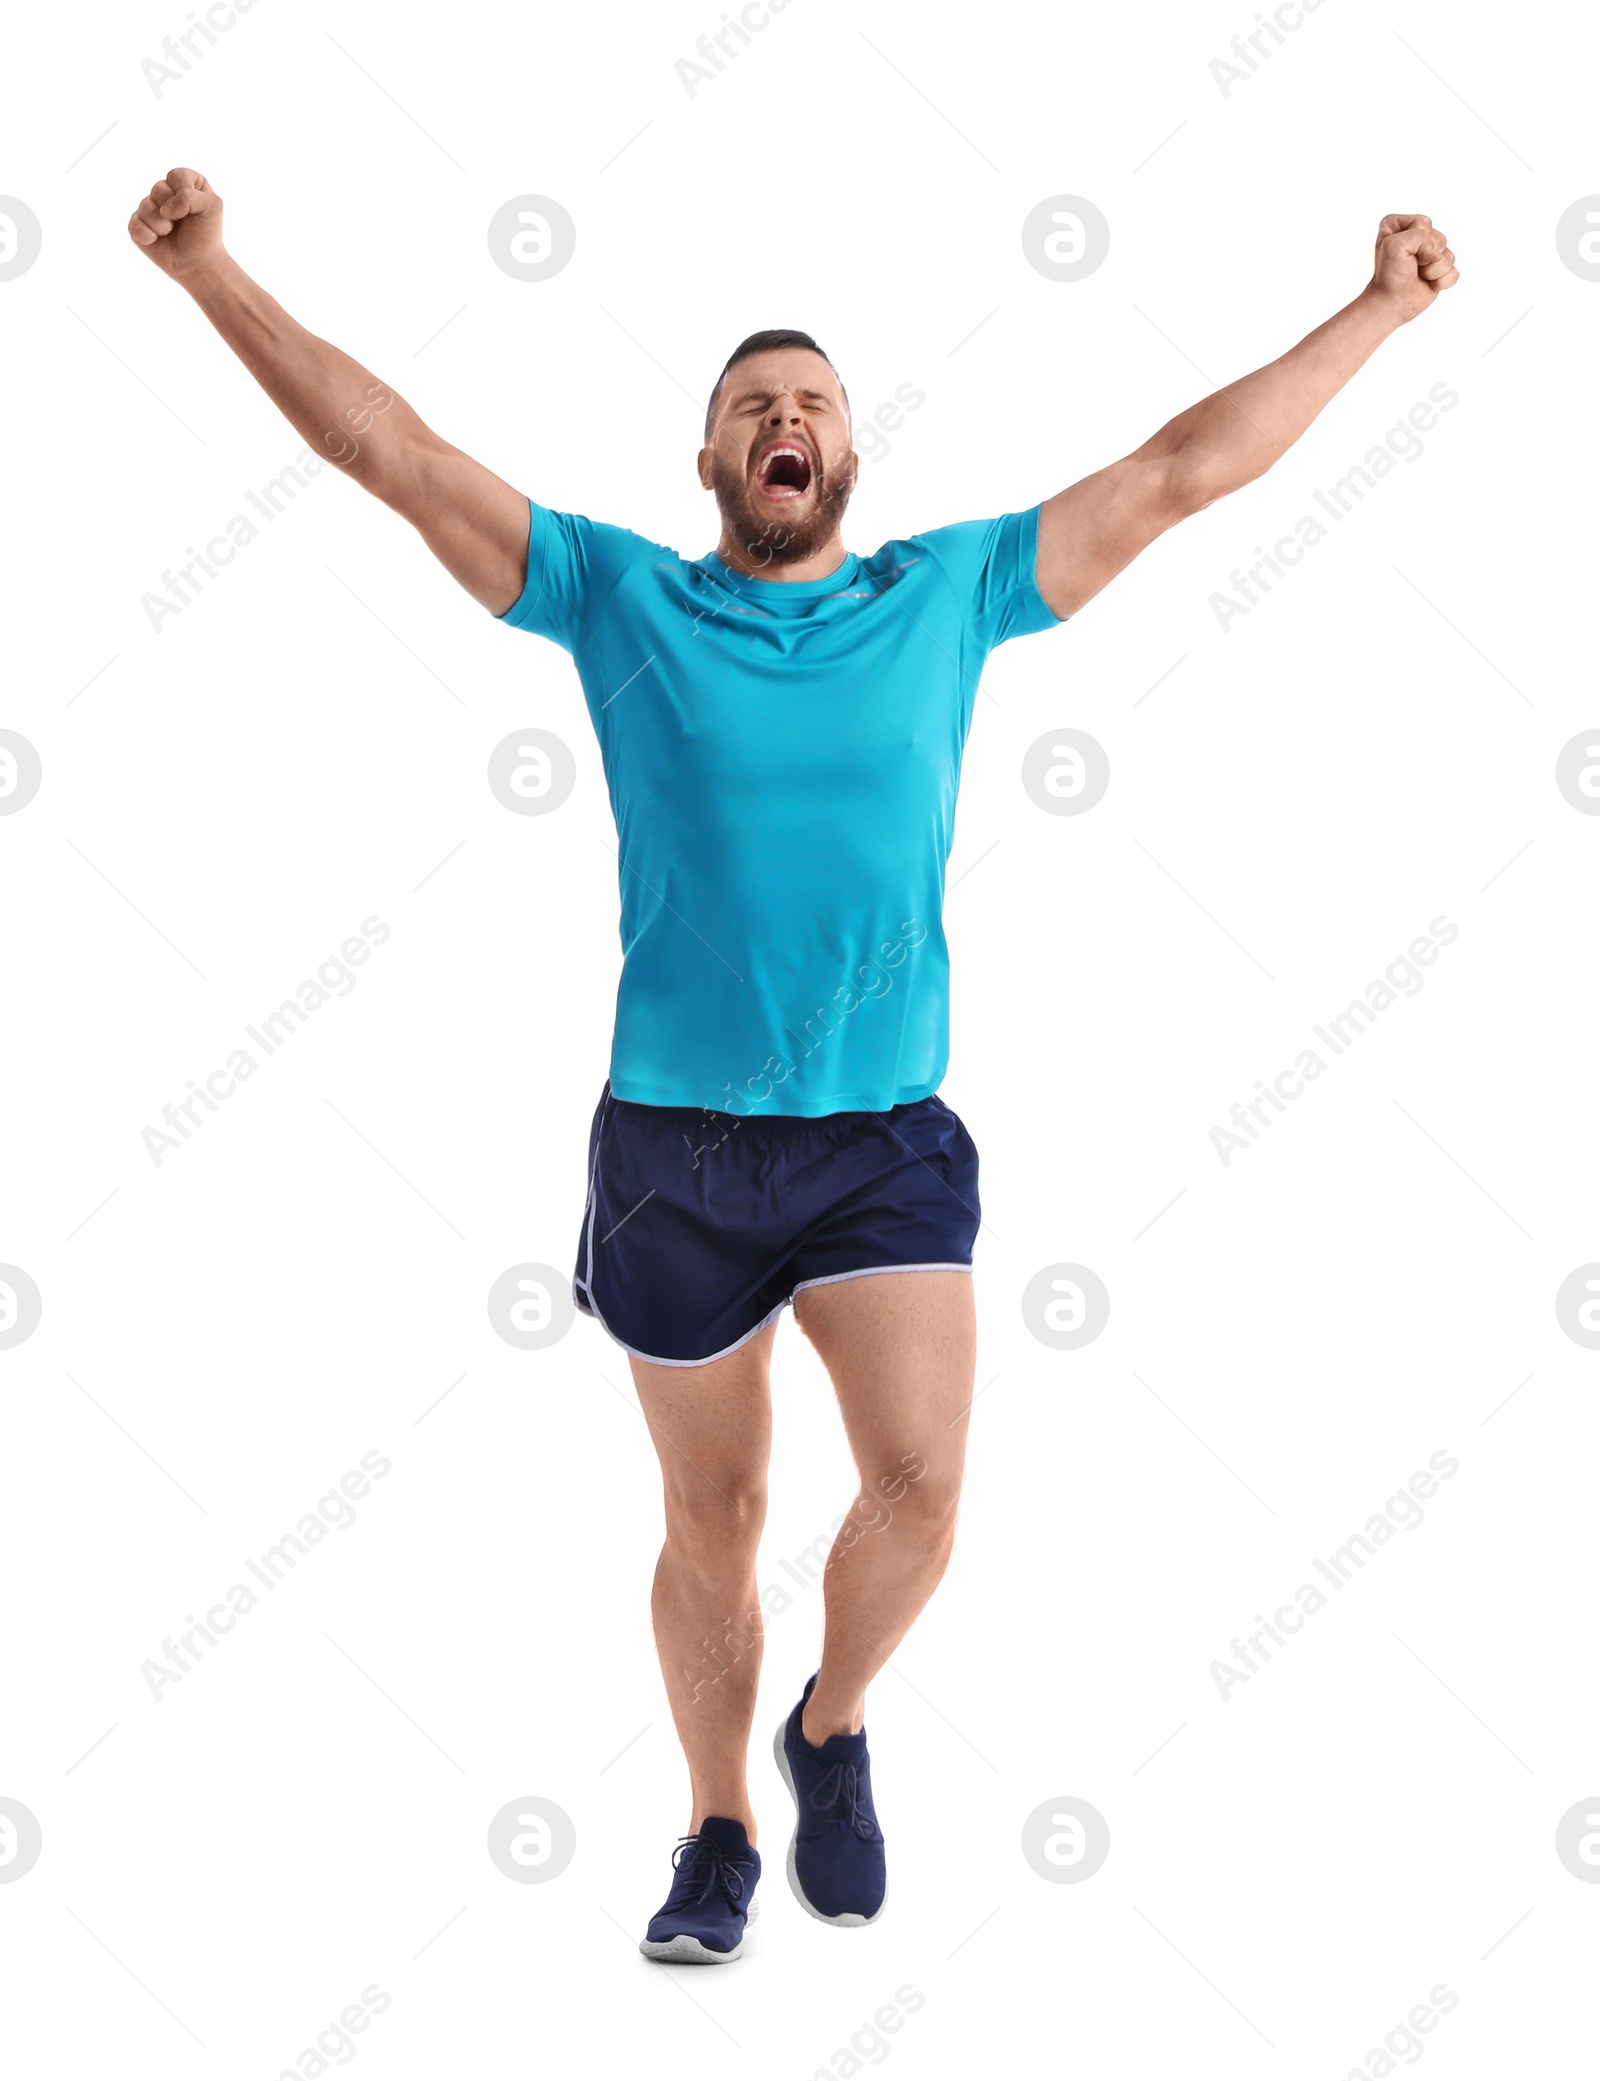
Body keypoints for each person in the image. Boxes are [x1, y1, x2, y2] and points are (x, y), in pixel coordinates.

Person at [128, 169, 1458, 1962]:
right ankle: (716, 1827)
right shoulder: (616, 597)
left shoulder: (952, 590)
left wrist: (1375, 308)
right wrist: (217, 268)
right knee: (718, 1510)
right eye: (755, 404)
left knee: (919, 1493)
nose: (788, 418)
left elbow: (1176, 467)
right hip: (673, 1152)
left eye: (816, 403)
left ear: (847, 461)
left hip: (883, 1142)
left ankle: (829, 1726)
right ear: (709, 464)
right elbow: (399, 452)